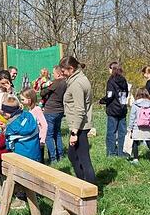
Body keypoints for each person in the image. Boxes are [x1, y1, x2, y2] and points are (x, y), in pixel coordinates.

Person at [61, 56, 96, 184]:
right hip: (78, 125)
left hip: (79, 127)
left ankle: (91, 189)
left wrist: (74, 133)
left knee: (84, 159)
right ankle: (81, 182)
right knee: (72, 155)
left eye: (64, 71)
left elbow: (80, 110)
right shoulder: (79, 78)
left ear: (71, 69)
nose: (62, 74)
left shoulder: (76, 84)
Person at [99, 64, 129, 157]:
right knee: (122, 132)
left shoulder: (111, 80)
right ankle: (121, 152)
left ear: (112, 70)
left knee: (111, 132)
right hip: (122, 109)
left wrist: (102, 101)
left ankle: (111, 153)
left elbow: (110, 95)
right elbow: (126, 94)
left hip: (113, 110)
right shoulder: (124, 80)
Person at [126, 88, 150, 167]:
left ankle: (135, 159)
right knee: (149, 143)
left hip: (137, 126)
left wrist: (130, 127)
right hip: (147, 127)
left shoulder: (135, 104)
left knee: (135, 143)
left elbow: (132, 116)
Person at [41, 66, 67, 163]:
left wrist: (44, 85)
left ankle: (53, 158)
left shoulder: (56, 83)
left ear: (58, 74)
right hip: (60, 111)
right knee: (58, 134)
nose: (53, 75)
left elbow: (43, 93)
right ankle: (60, 155)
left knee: (49, 135)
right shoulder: (66, 83)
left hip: (50, 111)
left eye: (54, 73)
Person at [19, 88, 48, 163]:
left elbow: (44, 125)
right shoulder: (29, 110)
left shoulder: (37, 110)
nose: (21, 101)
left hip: (38, 140)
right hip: (32, 139)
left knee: (39, 161)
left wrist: (42, 140)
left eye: (22, 99)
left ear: (29, 99)